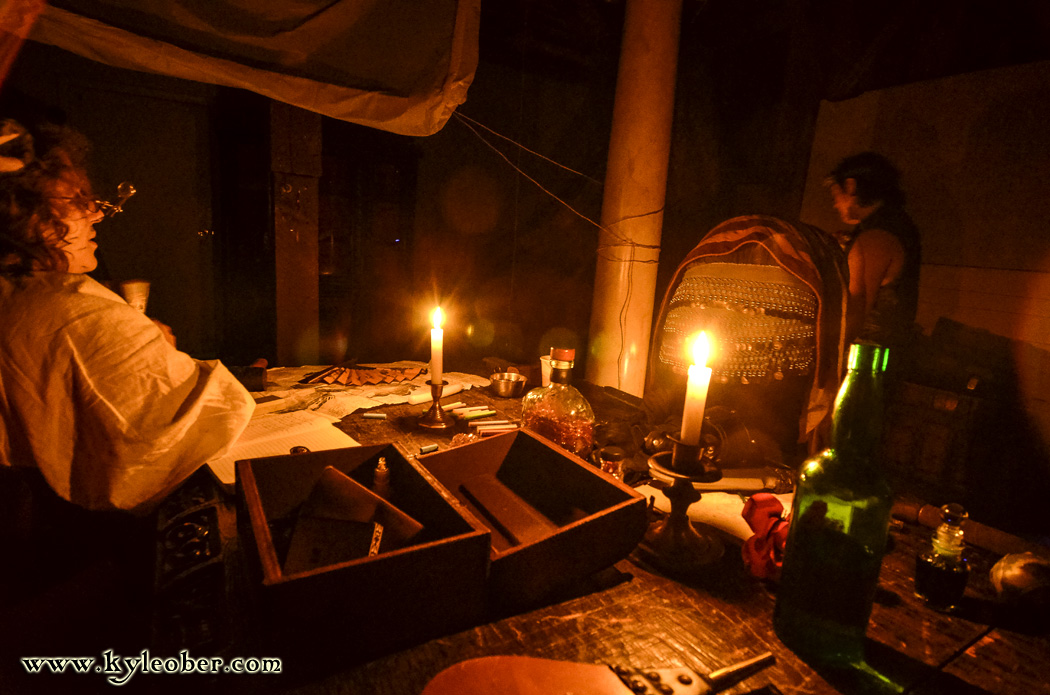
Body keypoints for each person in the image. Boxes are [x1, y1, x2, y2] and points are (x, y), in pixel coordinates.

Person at [0, 118, 254, 515]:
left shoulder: (19, 292)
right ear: (24, 215)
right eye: (75, 202)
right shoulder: (77, 312)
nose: (97, 215)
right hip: (79, 542)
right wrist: (151, 344)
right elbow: (199, 431)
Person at [825, 152, 922, 355]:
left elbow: (855, 312)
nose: (835, 204)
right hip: (884, 354)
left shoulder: (876, 237)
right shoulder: (896, 224)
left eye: (836, 195)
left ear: (850, 187)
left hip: (867, 359)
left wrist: (825, 359)